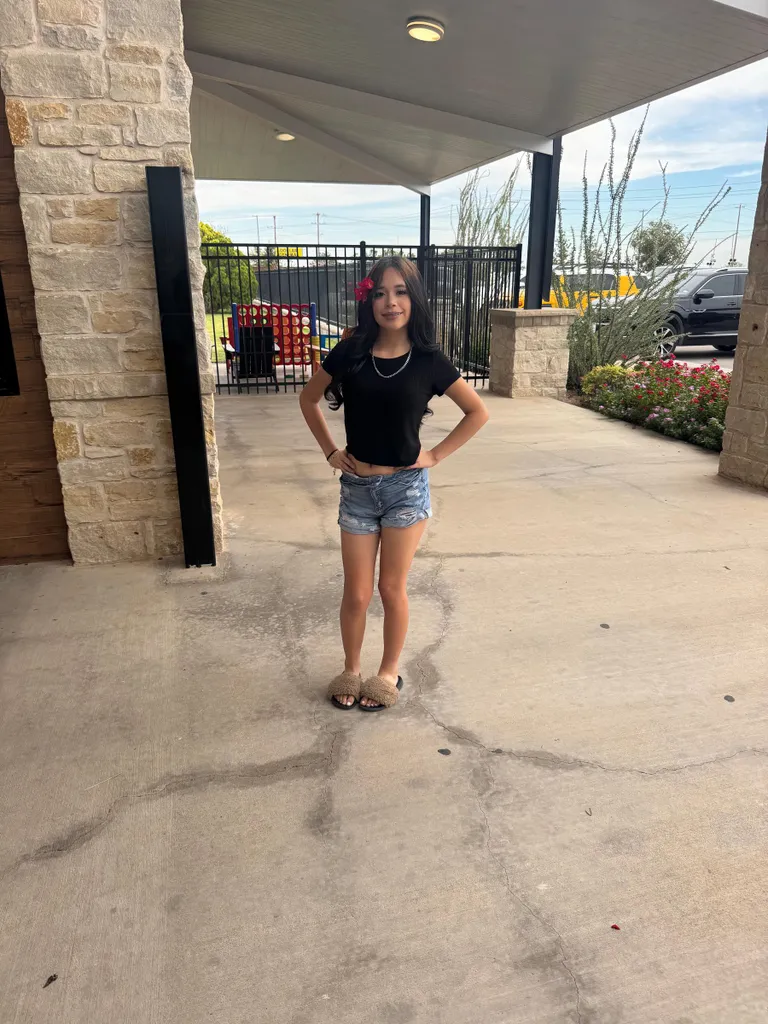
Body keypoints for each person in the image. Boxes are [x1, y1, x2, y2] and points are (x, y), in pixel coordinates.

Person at [299, 257, 489, 711]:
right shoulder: (351, 351)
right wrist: (330, 452)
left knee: (390, 588)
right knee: (356, 592)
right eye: (381, 293)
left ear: (414, 298)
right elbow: (308, 399)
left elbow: (477, 411)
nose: (391, 302)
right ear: (369, 300)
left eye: (401, 291)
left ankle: (387, 672)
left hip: (405, 490)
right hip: (357, 491)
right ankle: (351, 668)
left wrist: (435, 455)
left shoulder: (429, 360)